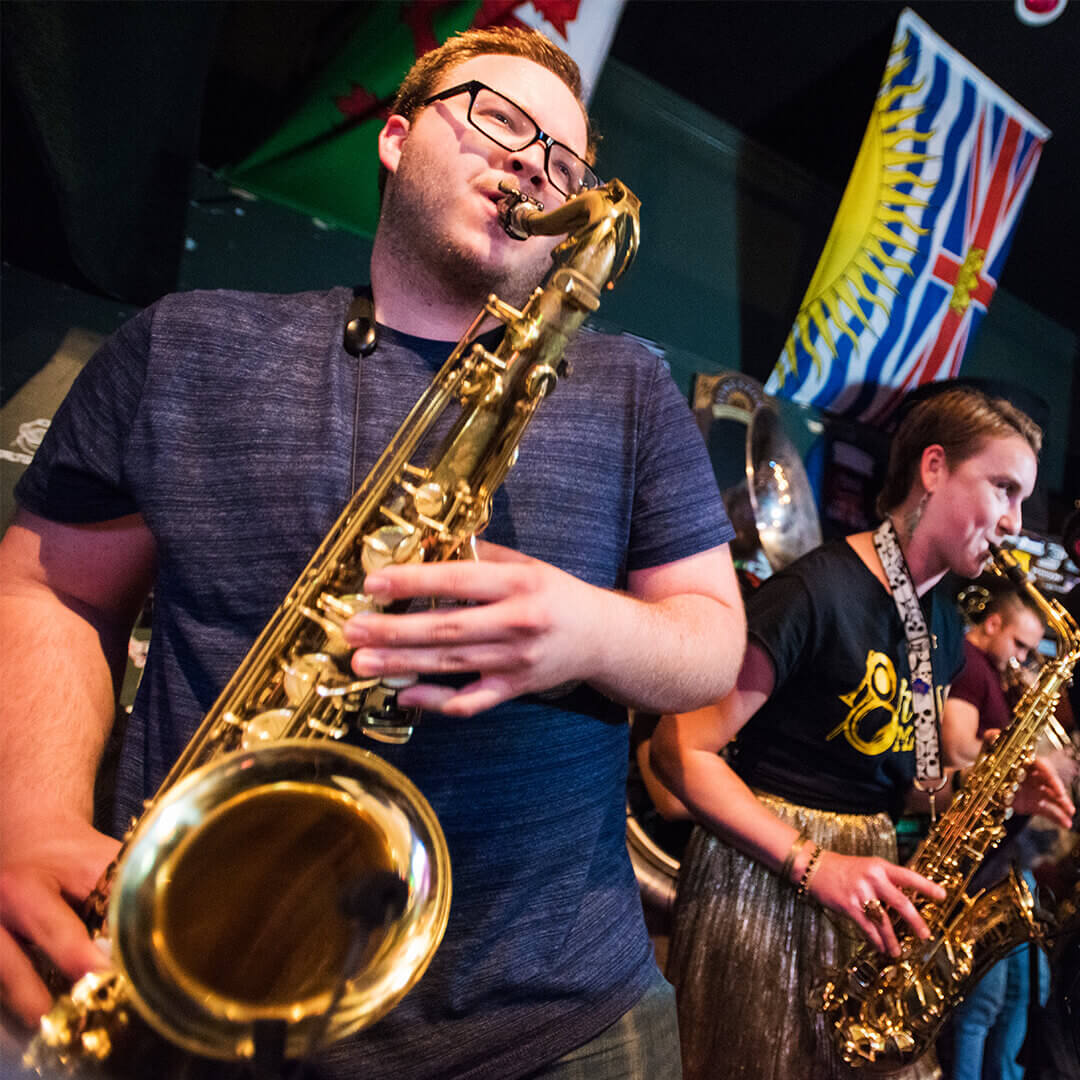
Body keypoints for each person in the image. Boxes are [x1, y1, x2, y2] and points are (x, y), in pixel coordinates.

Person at [0, 28, 747, 1080]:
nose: (536, 163)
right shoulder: (183, 342)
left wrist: (586, 629)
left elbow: (712, 645)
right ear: (395, 137)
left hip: (565, 1025)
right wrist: (30, 820)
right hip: (205, 976)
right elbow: (50, 591)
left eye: (568, 161)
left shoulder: (629, 385)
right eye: (499, 117)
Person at [650, 387, 1076, 1080]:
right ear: (933, 468)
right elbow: (679, 751)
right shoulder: (815, 591)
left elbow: (908, 786)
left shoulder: (942, 630)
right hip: (762, 882)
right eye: (1003, 489)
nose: (1014, 523)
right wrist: (815, 863)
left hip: (866, 880)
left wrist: (997, 797)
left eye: (1022, 500)